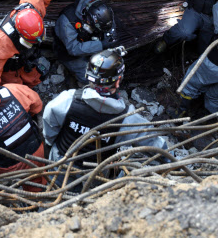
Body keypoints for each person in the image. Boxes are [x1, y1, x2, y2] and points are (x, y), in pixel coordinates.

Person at [43, 48, 168, 188]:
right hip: (94, 175)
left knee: (52, 194)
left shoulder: (66, 101)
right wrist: (169, 160)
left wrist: (50, 144)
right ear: (118, 81)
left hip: (60, 166)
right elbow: (154, 143)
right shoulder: (128, 119)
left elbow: (49, 129)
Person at [0, 0, 56, 88]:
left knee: (36, 77)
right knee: (16, 90)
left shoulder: (32, 7)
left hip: (21, 57)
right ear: (21, 36)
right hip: (9, 66)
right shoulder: (2, 43)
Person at [54, 0, 117, 84]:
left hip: (89, 41)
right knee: (91, 78)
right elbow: (73, 49)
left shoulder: (99, 6)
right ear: (88, 21)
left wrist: (111, 32)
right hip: (69, 53)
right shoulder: (67, 22)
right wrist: (101, 45)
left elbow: (109, 20)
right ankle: (74, 79)